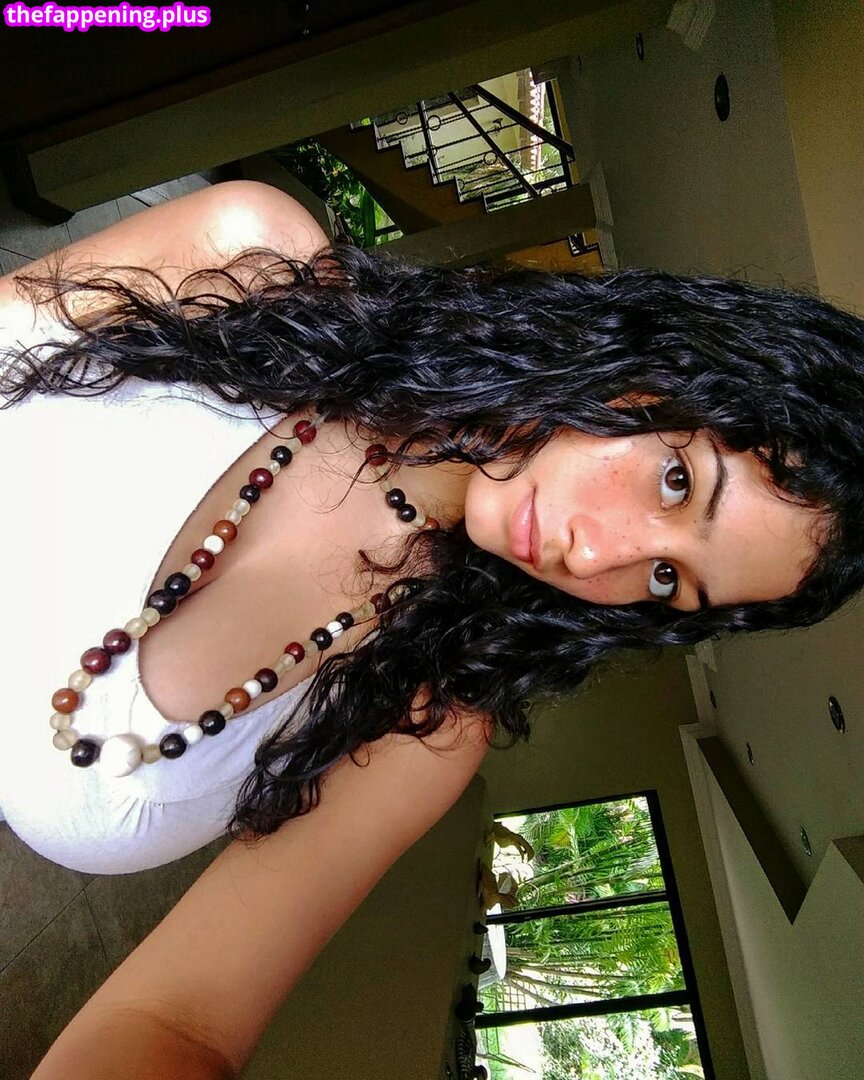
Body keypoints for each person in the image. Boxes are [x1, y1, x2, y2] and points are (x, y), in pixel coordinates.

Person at [2, 180, 862, 1078]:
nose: (595, 554)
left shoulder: (425, 727)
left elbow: (178, 1021)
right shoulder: (247, 254)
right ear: (652, 363)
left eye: (664, 579)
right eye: (676, 482)